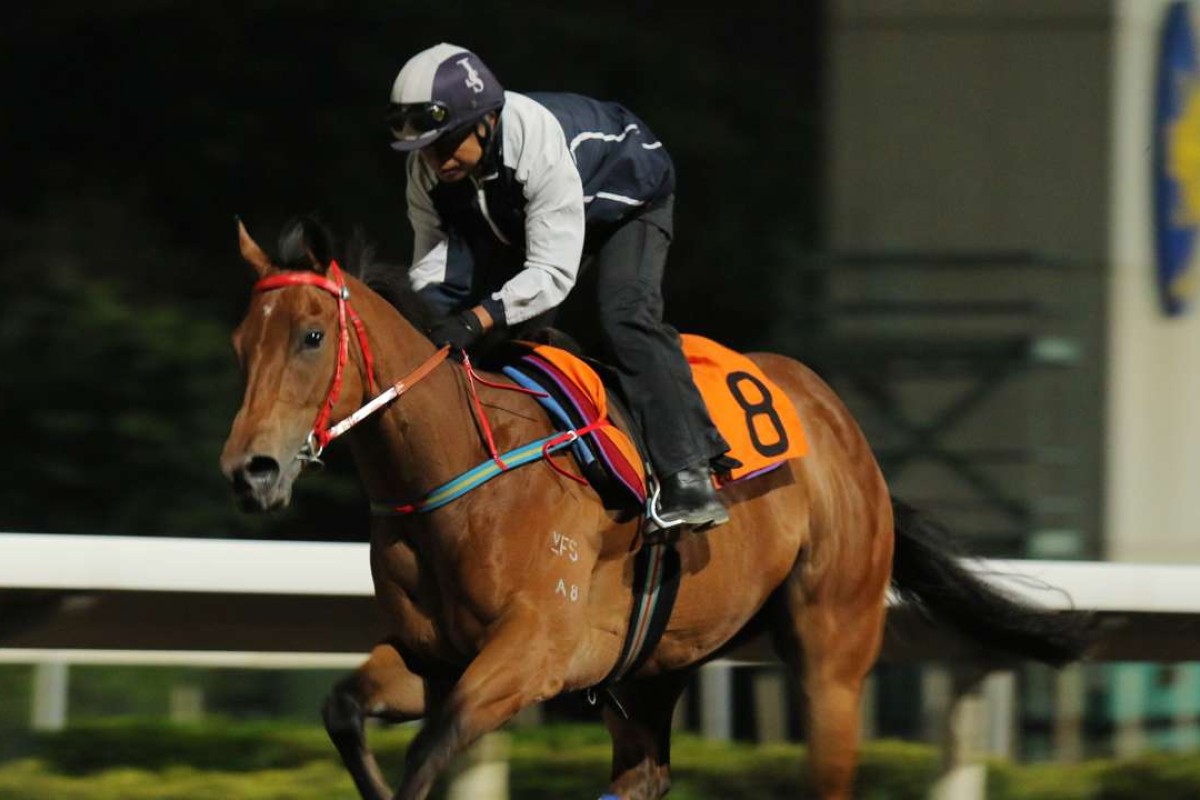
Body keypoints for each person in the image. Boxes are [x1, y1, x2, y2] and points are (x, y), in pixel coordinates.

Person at [387, 42, 730, 529]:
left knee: (623, 316)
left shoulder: (535, 142)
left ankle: (689, 475)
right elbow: (432, 264)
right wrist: (423, 324)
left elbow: (551, 274)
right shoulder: (428, 171)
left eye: (447, 142)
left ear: (485, 121)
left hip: (627, 196)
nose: (435, 160)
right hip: (532, 212)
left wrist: (476, 317)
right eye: (423, 148)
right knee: (494, 334)